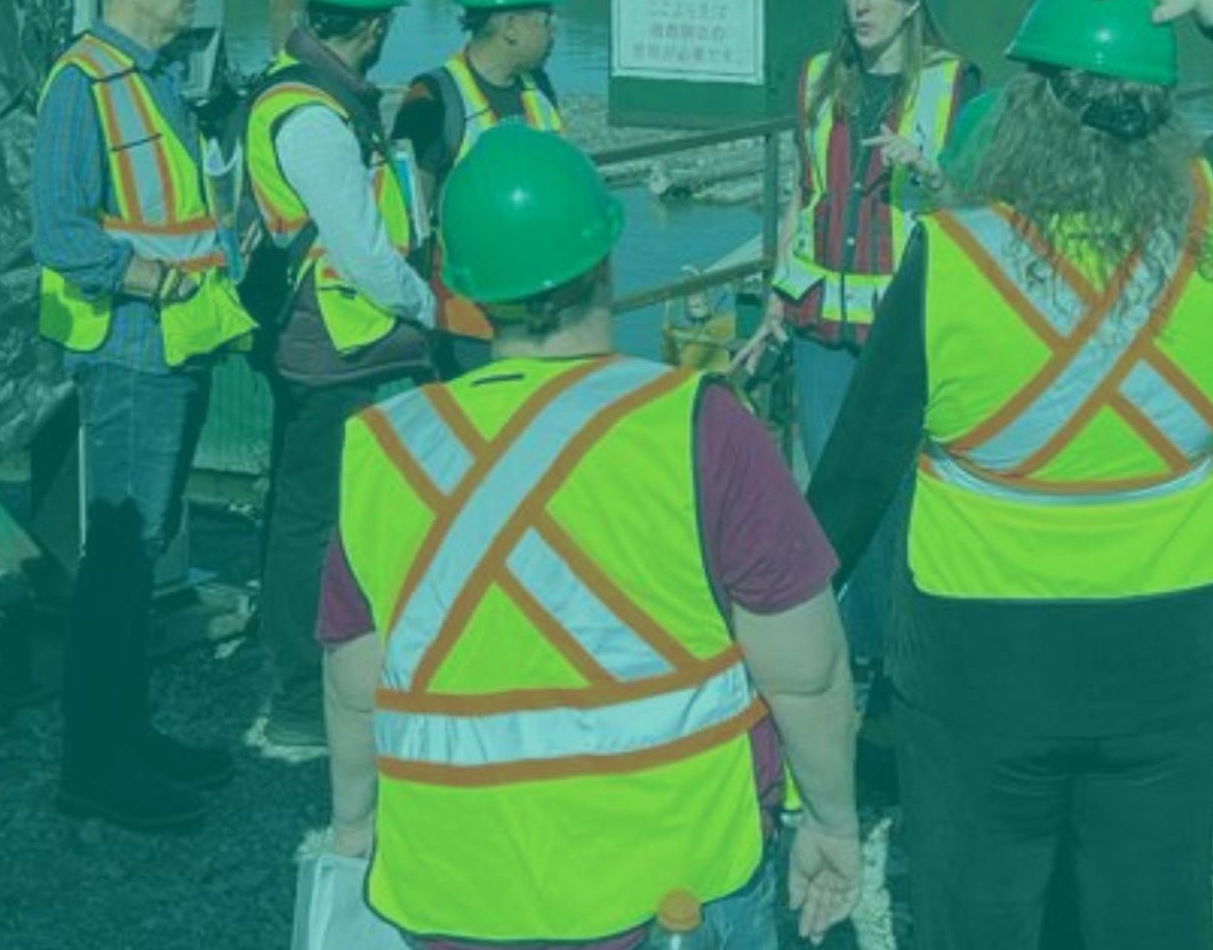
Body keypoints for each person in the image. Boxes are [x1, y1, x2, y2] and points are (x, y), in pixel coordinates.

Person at [807, 0, 1213, 950]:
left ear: (1028, 106)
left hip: (982, 657)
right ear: (1164, 113)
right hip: (1177, 644)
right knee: (1151, 911)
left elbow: (852, 483)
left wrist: (767, 643)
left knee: (979, 913)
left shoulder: (954, 256)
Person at [320, 126, 863, 949]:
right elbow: (808, 674)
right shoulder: (699, 426)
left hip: (451, 886)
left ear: (465, 292)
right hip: (675, 884)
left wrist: (355, 833)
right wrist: (831, 821)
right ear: (605, 262)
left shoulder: (385, 449)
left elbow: (356, 688)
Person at [33, 0, 254, 831]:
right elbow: (63, 233)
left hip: (173, 351)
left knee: (143, 553)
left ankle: (130, 738)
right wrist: (154, 279)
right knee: (118, 563)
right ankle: (97, 765)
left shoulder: (157, 78)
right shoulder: (83, 85)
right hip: (129, 356)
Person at [735, 0, 977, 676]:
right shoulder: (813, 78)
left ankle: (893, 651)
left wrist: (930, 168)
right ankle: (852, 651)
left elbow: (978, 203)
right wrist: (775, 304)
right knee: (830, 491)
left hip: (900, 327)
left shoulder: (954, 84)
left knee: (899, 492)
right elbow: (803, 198)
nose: (861, 4)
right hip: (816, 325)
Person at [244, 0, 437, 750]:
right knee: (310, 522)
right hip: (334, 345)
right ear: (376, 27)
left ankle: (314, 679)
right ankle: (295, 699)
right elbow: (359, 251)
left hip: (332, 342)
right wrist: (425, 305)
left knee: (309, 514)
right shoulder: (313, 118)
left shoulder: (315, 97)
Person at [394, 0, 568, 377]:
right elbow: (408, 217)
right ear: (510, 25)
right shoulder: (434, 99)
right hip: (465, 328)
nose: (556, 28)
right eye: (546, 18)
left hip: (539, 316)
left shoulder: (539, 88)